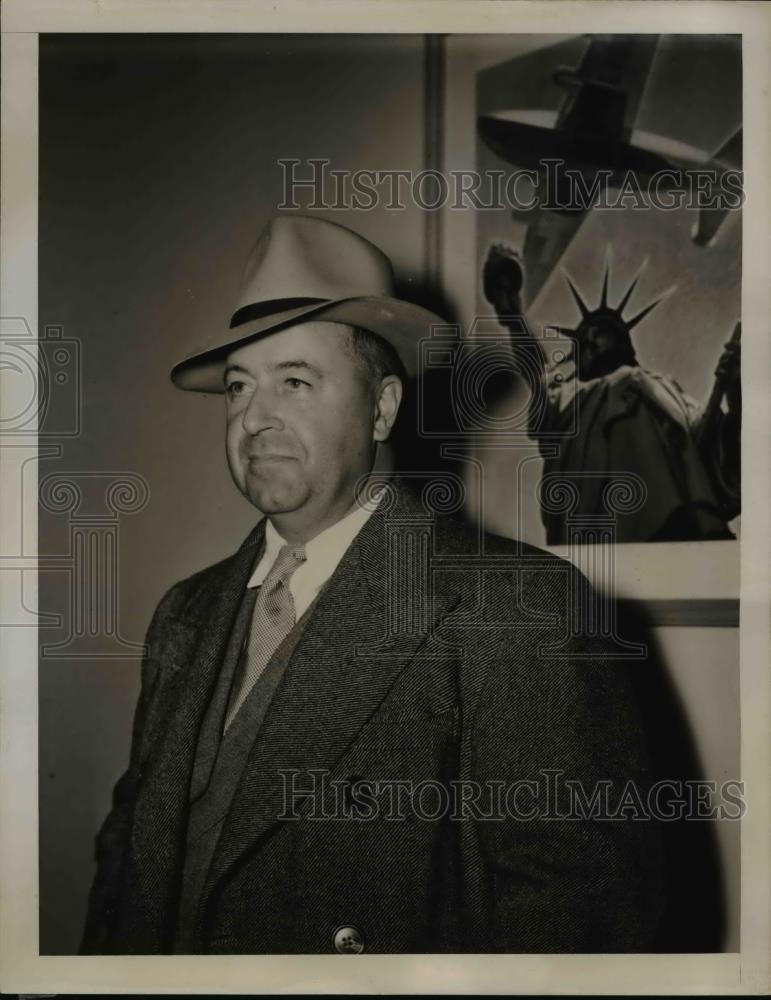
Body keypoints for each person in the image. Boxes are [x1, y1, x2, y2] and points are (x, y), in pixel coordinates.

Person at [81, 216, 662, 955]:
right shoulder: (184, 614)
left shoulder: (519, 608)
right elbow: (123, 877)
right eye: (237, 386)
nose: (254, 417)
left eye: (294, 381)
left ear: (382, 407)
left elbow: (581, 928)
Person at [483, 242, 741, 544]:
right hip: (597, 533)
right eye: (584, 343)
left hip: (677, 533)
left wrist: (735, 394)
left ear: (625, 345)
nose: (591, 344)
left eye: (600, 334)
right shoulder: (572, 396)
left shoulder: (663, 387)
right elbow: (537, 372)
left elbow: (708, 445)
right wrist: (513, 316)